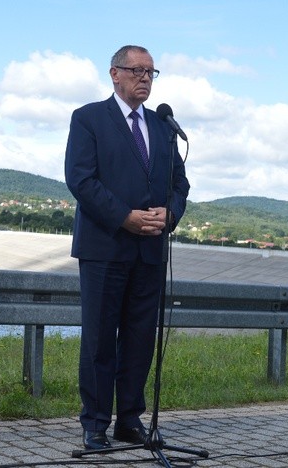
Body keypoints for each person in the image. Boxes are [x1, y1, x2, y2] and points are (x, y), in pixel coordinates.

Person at [64, 45, 190, 450]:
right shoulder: (88, 119)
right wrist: (125, 217)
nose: (145, 78)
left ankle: (130, 420)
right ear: (114, 74)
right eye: (137, 70)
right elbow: (81, 180)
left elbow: (180, 185)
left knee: (139, 338)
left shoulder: (164, 127)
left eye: (152, 72)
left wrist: (169, 215)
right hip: (105, 247)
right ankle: (96, 424)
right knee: (100, 338)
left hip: (151, 250)